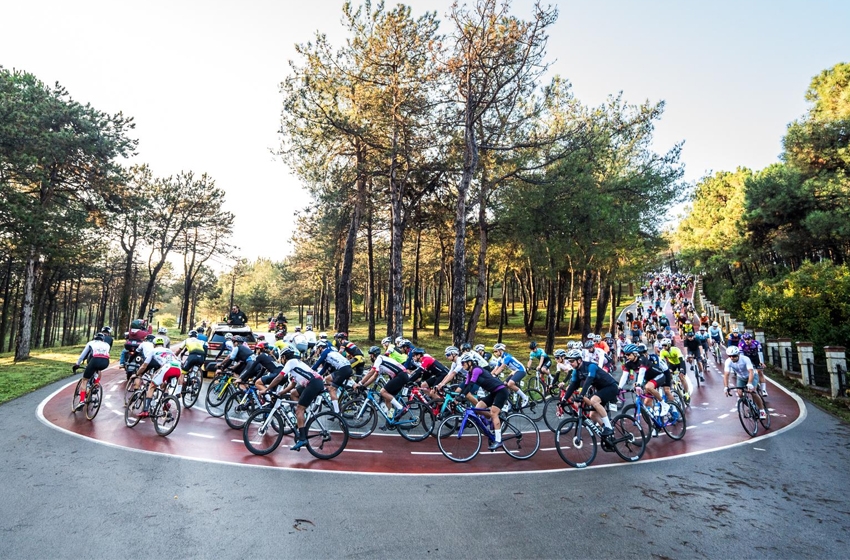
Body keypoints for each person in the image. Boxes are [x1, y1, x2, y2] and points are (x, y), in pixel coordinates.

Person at [262, 347, 325, 451]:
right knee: (293, 393)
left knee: (299, 409)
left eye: (281, 358)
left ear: (284, 357)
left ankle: (302, 438)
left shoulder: (291, 362)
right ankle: (300, 418)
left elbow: (279, 377)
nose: (280, 360)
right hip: (313, 382)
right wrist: (280, 393)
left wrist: (266, 389)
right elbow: (293, 385)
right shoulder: (296, 363)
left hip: (314, 384)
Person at [457, 352, 510, 450]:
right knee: (478, 408)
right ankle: (494, 421)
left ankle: (498, 440)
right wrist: (458, 396)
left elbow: (471, 384)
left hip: (501, 391)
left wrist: (463, 395)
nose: (462, 365)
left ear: (470, 362)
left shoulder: (476, 370)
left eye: (463, 363)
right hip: (493, 392)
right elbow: (466, 385)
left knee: (494, 413)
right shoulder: (469, 373)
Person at [561, 349, 617, 437]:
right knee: (593, 415)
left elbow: (588, 381)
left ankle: (609, 428)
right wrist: (564, 400)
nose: (570, 363)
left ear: (579, 360)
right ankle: (606, 430)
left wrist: (581, 395)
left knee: (594, 400)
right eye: (569, 361)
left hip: (611, 387)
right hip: (601, 390)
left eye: (572, 361)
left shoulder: (591, 366)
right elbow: (572, 386)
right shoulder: (576, 371)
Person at [354, 346, 409, 427]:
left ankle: (401, 408)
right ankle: (391, 418)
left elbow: (370, 372)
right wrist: (364, 386)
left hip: (401, 376)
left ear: (374, 355)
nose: (370, 357)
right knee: (387, 399)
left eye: (370, 355)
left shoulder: (379, 358)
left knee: (382, 392)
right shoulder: (380, 363)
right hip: (400, 376)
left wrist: (360, 383)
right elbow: (374, 376)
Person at [135, 337, 182, 418]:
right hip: (178, 368)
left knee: (152, 386)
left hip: (168, 367)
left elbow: (144, 366)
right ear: (163, 345)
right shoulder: (169, 350)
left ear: (154, 345)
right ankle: (166, 402)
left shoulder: (153, 351)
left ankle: (145, 411)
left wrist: (137, 373)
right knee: (164, 384)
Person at [723, 346, 767, 419]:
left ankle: (762, 410)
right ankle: (751, 407)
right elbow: (726, 375)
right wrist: (726, 387)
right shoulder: (728, 361)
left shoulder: (745, 359)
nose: (732, 358)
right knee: (740, 394)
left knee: (753, 392)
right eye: (730, 356)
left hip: (752, 375)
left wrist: (749, 383)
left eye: (734, 356)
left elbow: (750, 371)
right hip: (741, 377)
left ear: (738, 354)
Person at [72, 332, 111, 411]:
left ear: (94, 338)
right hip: (106, 362)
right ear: (103, 339)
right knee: (98, 369)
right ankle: (96, 384)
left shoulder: (91, 343)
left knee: (85, 380)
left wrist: (77, 364)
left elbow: (83, 355)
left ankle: (82, 401)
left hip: (95, 360)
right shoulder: (107, 345)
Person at [312, 341, 353, 413]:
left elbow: (316, 364)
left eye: (317, 349)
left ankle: (336, 412)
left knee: (331, 389)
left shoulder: (325, 352)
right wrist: (317, 376)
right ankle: (338, 396)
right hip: (345, 368)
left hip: (343, 369)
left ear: (321, 348)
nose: (316, 351)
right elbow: (324, 369)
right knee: (327, 379)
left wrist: (308, 373)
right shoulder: (329, 353)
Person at [490, 343, 529, 407]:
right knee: (504, 385)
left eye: (496, 351)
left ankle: (525, 397)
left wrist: (495, 375)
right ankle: (510, 404)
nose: (495, 353)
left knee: (510, 384)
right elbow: (496, 368)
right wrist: (489, 375)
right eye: (494, 352)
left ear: (501, 350)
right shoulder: (500, 359)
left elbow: (502, 367)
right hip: (515, 372)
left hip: (521, 370)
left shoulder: (507, 357)